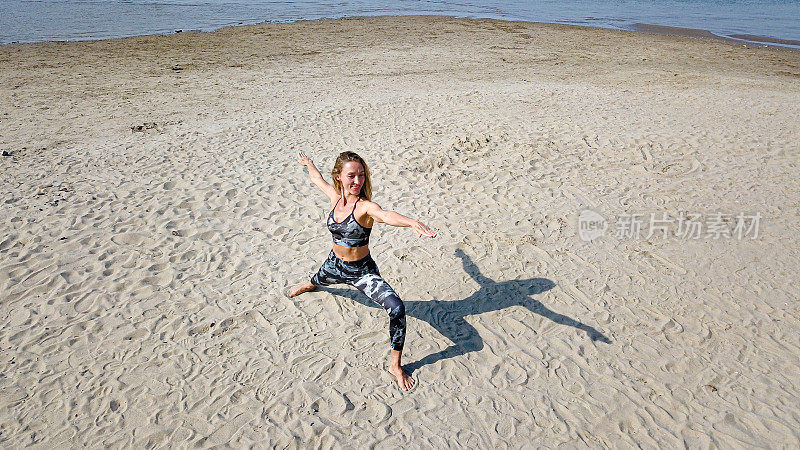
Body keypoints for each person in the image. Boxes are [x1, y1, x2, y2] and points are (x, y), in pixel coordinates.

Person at [288, 150, 436, 391]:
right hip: (334, 264)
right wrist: (309, 164)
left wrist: (411, 223)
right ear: (339, 177)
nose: (357, 181)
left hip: (362, 271)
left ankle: (395, 367)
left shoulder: (365, 207)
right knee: (318, 278)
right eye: (351, 176)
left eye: (361, 176)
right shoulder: (335, 198)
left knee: (397, 308)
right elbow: (317, 180)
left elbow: (386, 215)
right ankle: (311, 284)